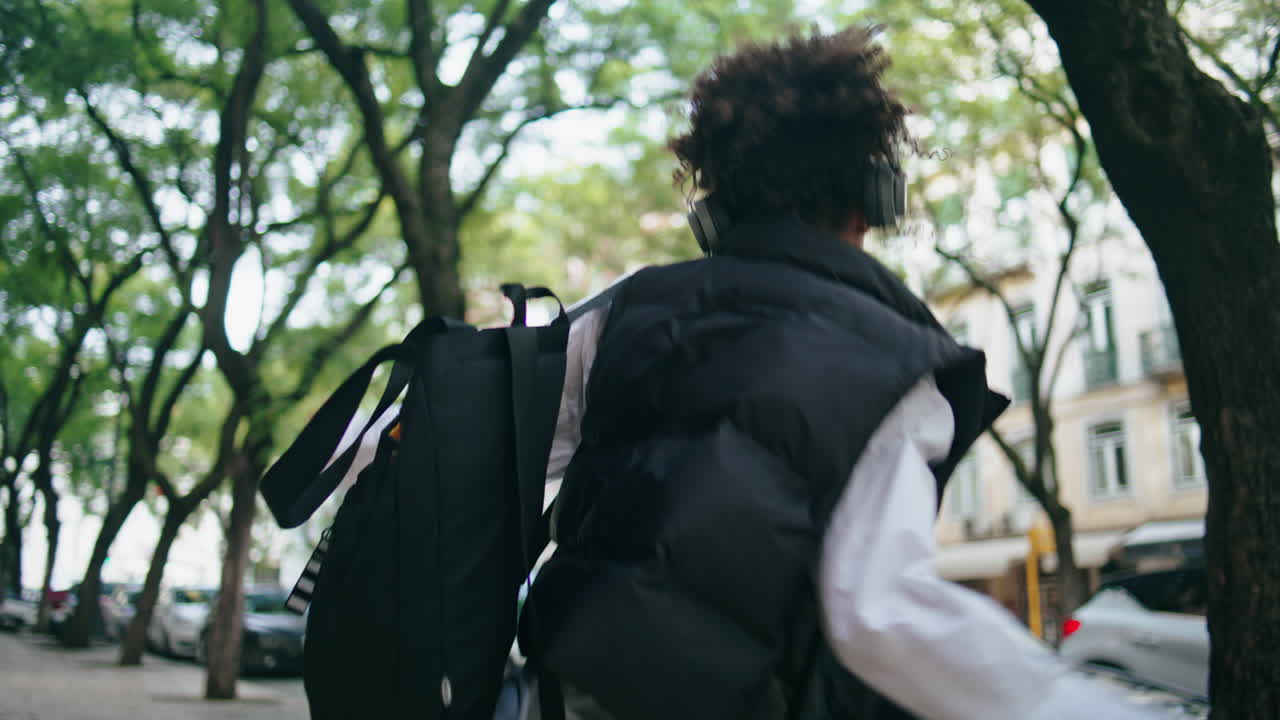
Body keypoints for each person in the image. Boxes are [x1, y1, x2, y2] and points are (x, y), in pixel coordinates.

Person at [521, 27, 1173, 720]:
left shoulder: (620, 317)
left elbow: (467, 452)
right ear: (873, 195)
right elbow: (883, 617)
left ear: (715, 207)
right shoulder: (895, 365)